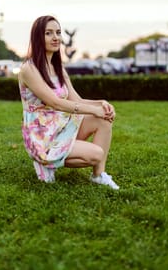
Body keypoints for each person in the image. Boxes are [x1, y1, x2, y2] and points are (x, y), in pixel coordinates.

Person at [18, 15, 119, 190]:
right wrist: (93, 110)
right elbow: (55, 103)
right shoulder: (29, 68)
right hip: (43, 136)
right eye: (48, 33)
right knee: (97, 154)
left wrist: (100, 104)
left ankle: (98, 175)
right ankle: (46, 162)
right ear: (37, 37)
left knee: (103, 119)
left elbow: (77, 100)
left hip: (61, 126)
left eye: (58, 32)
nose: (56, 37)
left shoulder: (58, 68)